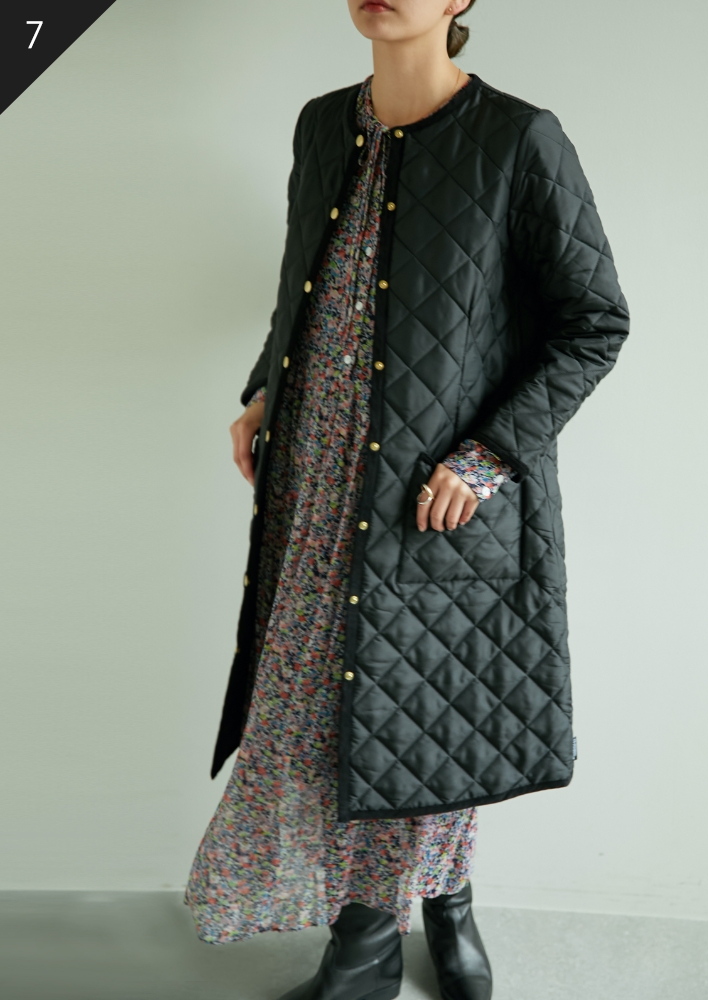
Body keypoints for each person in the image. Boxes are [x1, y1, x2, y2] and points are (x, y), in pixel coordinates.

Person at [184, 1, 629, 998]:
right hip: (313, 474)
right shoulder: (320, 124)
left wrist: (486, 460)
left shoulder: (519, 138)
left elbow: (594, 322)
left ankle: (399, 931)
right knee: (317, 710)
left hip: (435, 498)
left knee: (420, 709)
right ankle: (408, 914)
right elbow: (303, 287)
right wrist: (263, 391)